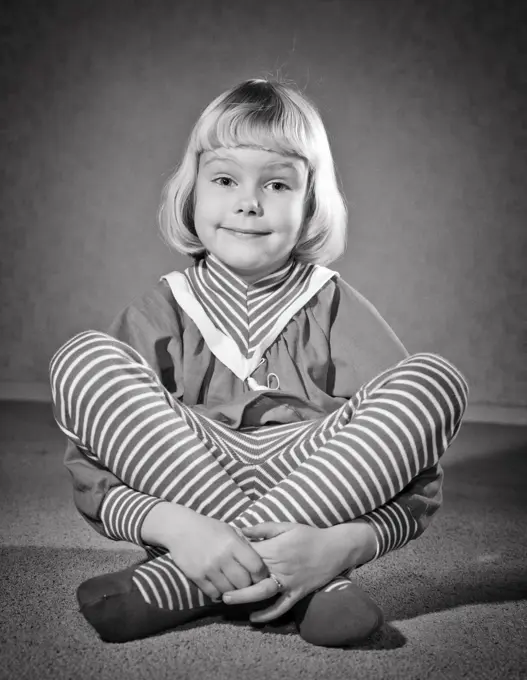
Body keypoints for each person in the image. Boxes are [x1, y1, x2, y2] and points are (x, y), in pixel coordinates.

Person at [49, 78, 468, 647]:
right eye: (225, 179)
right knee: (83, 359)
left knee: (433, 382)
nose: (248, 201)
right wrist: (176, 525)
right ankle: (294, 579)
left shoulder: (330, 299)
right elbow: (97, 459)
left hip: (317, 475)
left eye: (276, 183)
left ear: (311, 202)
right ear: (191, 192)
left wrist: (341, 544)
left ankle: (186, 582)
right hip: (186, 469)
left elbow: (411, 460)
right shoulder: (163, 304)